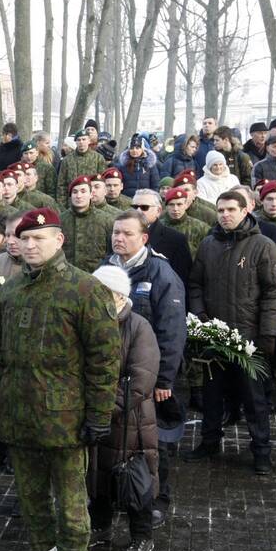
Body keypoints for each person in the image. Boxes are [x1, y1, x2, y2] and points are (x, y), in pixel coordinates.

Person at [0, 207, 120, 551]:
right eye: (25, 238)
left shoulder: (85, 290)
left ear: (59, 240)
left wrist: (99, 415)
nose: (29, 245)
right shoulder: (10, 290)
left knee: (70, 503)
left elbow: (104, 359)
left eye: (39, 238)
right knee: (31, 501)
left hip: (65, 419)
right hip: (19, 416)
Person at [185, 191, 276, 475]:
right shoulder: (208, 245)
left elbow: (274, 293)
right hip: (215, 334)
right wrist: (201, 317)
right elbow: (195, 284)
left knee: (254, 398)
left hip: (249, 336)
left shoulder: (262, 246)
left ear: (245, 211)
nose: (225, 215)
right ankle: (209, 441)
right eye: (220, 210)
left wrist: (267, 335)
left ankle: (261, 450)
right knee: (212, 393)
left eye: (231, 209)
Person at [103, 211, 186, 529]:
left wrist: (165, 377)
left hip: (149, 374)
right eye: (115, 232)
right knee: (119, 438)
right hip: (113, 372)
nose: (118, 238)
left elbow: (172, 329)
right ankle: (117, 495)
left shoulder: (161, 273)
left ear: (144, 238)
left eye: (126, 233)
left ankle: (157, 498)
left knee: (152, 440)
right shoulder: (107, 267)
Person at [86, 265, 160, 551]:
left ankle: (142, 536)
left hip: (130, 419)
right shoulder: (90, 323)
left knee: (134, 479)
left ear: (118, 296)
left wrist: (104, 409)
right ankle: (100, 526)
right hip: (96, 414)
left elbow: (141, 379)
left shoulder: (138, 326)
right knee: (97, 475)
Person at [59, 176, 114, 272]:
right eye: (75, 192)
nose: (79, 196)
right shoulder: (60, 220)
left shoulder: (107, 220)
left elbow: (112, 253)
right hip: (66, 278)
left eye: (83, 191)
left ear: (91, 194)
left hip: (97, 278)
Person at [56, 131, 108, 204]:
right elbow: (61, 185)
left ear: (89, 141)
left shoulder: (98, 158)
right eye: (79, 140)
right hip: (72, 202)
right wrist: (62, 204)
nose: (81, 142)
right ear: (75, 142)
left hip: (92, 202)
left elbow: (102, 182)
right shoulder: (67, 160)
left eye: (84, 139)